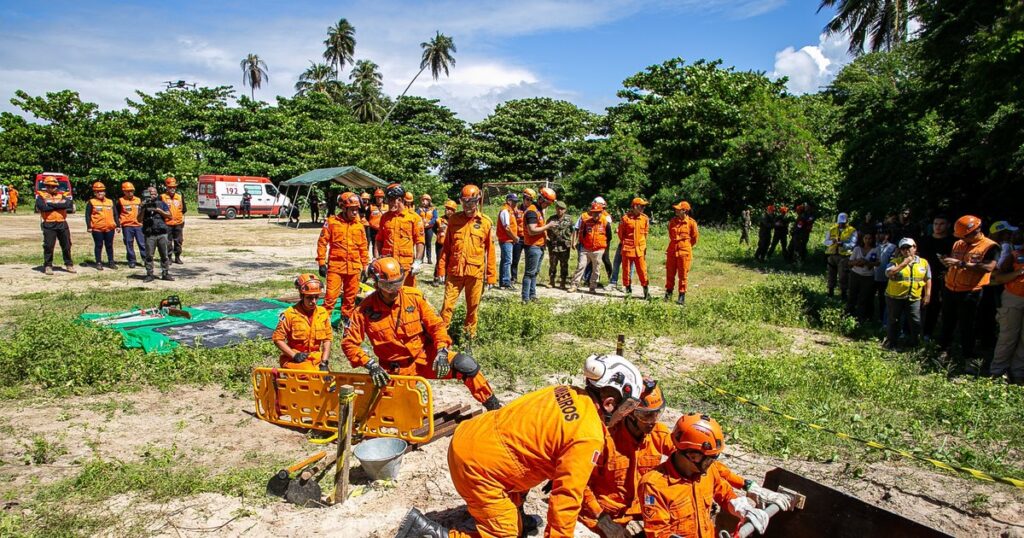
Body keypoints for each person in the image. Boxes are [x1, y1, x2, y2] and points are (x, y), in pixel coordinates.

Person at [396, 354, 646, 538]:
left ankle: (510, 509)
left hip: (471, 437)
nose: (627, 415)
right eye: (629, 408)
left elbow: (565, 475)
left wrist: (598, 516)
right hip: (477, 467)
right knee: (505, 534)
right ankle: (424, 532)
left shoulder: (566, 391)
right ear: (611, 402)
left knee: (531, 459)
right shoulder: (588, 435)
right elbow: (566, 499)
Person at [343, 257, 501, 410]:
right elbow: (349, 343)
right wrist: (370, 364)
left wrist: (442, 350)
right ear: (377, 284)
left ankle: (493, 406)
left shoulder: (414, 297)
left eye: (398, 284)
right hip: (396, 368)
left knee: (465, 365)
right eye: (389, 287)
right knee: (396, 413)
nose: (395, 291)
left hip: (425, 357)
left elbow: (436, 325)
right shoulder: (364, 310)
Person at [638, 414, 776, 538]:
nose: (712, 463)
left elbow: (724, 493)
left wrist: (742, 508)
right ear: (692, 456)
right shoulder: (653, 486)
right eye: (709, 459)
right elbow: (658, 534)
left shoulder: (706, 472)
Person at [579, 380, 670, 536]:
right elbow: (581, 482)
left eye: (657, 413)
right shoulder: (606, 439)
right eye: (647, 415)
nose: (653, 421)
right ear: (630, 413)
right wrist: (601, 518)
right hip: (599, 518)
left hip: (636, 514)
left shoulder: (659, 434)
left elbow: (685, 457)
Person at [938, 215, 999, 374]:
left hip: (970, 292)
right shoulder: (958, 243)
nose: (961, 239)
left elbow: (988, 267)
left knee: (968, 326)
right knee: (947, 322)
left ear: (975, 231)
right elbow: (956, 261)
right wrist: (948, 262)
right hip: (950, 288)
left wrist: (961, 264)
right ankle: (944, 351)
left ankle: (969, 358)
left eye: (964, 236)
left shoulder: (990, 246)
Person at [438, 185, 497, 345]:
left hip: (475, 273)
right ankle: (441, 340)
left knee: (472, 308)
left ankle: (468, 339)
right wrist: (441, 269)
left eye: (470, 203)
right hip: (455, 272)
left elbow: (490, 252)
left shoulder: (485, 223)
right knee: (447, 307)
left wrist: (491, 277)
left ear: (477, 201)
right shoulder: (454, 220)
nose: (467, 206)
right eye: (464, 203)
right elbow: (446, 247)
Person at [317, 192, 369, 328]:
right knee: (330, 298)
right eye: (352, 209)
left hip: (354, 268)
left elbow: (363, 247)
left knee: (350, 298)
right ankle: (323, 324)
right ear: (344, 208)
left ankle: (345, 322)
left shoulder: (359, 226)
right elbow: (322, 243)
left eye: (357, 209)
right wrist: (322, 263)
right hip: (336, 268)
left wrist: (365, 266)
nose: (355, 212)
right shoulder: (332, 223)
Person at [273, 274, 333, 371]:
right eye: (309, 298)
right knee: (310, 376)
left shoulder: (323, 313)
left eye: (316, 297)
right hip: (294, 360)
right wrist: (294, 355)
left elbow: (327, 340)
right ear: (302, 296)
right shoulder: (289, 314)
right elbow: (278, 339)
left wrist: (324, 362)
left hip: (316, 359)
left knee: (330, 382)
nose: (314, 301)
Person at [883, 238, 931, 349]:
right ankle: (891, 343)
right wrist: (903, 264)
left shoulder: (923, 262)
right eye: (903, 248)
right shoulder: (895, 261)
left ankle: (916, 345)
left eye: (908, 247)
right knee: (894, 320)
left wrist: (927, 295)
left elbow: (928, 278)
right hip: (895, 297)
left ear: (915, 247)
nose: (906, 250)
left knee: (915, 321)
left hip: (914, 297)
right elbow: (889, 273)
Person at [990, 230, 1024, 383]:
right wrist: (1019, 272)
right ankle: (998, 372)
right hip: (1013, 298)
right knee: (1008, 336)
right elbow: (999, 277)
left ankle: (1018, 373)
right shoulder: (1015, 255)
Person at [375, 184, 425, 287]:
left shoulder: (414, 218)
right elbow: (379, 239)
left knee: (407, 294)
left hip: (406, 265)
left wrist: (418, 261)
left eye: (391, 200)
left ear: (400, 200)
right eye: (388, 200)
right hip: (388, 264)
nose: (388, 203)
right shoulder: (385, 218)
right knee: (387, 294)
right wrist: (376, 259)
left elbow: (420, 241)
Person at [918, 215, 955, 339]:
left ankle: (931, 333)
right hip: (923, 277)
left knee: (937, 306)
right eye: (935, 224)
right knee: (920, 304)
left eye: (941, 224)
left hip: (943, 279)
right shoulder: (924, 240)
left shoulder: (953, 242)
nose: (938, 227)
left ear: (948, 225)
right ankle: (916, 331)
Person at [521, 187, 558, 303]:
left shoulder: (538, 210)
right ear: (541, 200)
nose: (548, 206)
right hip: (533, 246)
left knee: (534, 273)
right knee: (529, 273)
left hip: (539, 246)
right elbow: (532, 230)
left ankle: (532, 295)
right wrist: (549, 226)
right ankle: (525, 298)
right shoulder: (532, 211)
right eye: (547, 203)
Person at [35, 176, 75, 275]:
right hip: (49, 224)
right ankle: (48, 266)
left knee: (66, 245)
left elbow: (67, 205)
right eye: (50, 186)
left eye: (54, 186)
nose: (53, 188)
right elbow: (42, 208)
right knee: (49, 246)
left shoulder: (62, 195)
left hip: (62, 223)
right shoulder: (41, 196)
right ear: (46, 186)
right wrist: (58, 206)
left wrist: (51, 204)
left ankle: (69, 264)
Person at [571, 202, 611, 294]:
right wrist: (582, 244)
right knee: (580, 266)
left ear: (601, 212)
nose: (596, 214)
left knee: (596, 269)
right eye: (594, 212)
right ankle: (574, 285)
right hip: (585, 249)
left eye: (598, 212)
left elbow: (609, 236)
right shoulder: (586, 222)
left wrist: (602, 246)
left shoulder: (605, 222)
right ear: (591, 212)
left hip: (598, 249)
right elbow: (582, 234)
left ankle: (592, 287)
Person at [665, 201, 698, 306]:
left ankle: (681, 295)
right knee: (670, 273)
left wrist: (685, 246)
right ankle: (668, 293)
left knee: (683, 275)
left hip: (684, 253)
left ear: (684, 211)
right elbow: (671, 234)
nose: (676, 210)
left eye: (678, 209)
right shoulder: (672, 221)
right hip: (672, 251)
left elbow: (694, 238)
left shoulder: (691, 223)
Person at [618, 197, 650, 299]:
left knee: (642, 270)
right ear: (635, 206)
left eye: (644, 206)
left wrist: (643, 245)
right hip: (627, 248)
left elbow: (645, 234)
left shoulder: (645, 218)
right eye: (642, 206)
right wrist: (627, 243)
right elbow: (621, 234)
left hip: (639, 250)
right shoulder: (625, 218)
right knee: (626, 270)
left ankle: (646, 291)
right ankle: (628, 290)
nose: (643, 208)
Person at [141, 186, 173, 282]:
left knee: (164, 255)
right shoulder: (143, 205)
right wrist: (143, 208)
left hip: (162, 233)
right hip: (150, 234)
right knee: (149, 255)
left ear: (157, 194)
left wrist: (159, 210)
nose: (153, 195)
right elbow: (138, 219)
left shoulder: (162, 204)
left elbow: (170, 216)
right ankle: (150, 274)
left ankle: (165, 273)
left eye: (155, 193)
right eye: (151, 193)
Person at [85, 182, 119, 270]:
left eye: (102, 191)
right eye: (98, 191)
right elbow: (87, 215)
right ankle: (98, 262)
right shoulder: (92, 202)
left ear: (105, 192)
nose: (100, 193)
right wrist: (89, 226)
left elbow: (115, 214)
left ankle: (111, 262)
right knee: (99, 245)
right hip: (97, 229)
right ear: (95, 193)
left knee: (109, 245)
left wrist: (118, 225)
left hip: (109, 228)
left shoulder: (110, 202)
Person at [846, 231, 878, 321]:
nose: (867, 240)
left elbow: (877, 263)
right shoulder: (857, 249)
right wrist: (857, 262)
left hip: (868, 276)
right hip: (855, 274)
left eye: (869, 238)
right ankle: (848, 315)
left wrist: (867, 262)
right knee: (852, 295)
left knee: (863, 298)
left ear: (872, 240)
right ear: (863, 239)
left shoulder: (875, 250)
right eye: (866, 238)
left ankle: (860, 318)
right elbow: (849, 262)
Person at [825, 213, 857, 300]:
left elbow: (853, 244)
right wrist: (832, 242)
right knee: (831, 274)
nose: (841, 224)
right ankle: (830, 292)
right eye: (840, 222)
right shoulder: (832, 229)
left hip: (844, 257)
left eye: (843, 222)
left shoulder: (852, 230)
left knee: (843, 276)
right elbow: (826, 242)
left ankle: (843, 293)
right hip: (832, 255)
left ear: (847, 221)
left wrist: (843, 244)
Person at [116, 182, 146, 269]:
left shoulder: (138, 200)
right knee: (129, 243)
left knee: (142, 243)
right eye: (127, 191)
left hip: (138, 225)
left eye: (131, 191)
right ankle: (132, 261)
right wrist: (118, 225)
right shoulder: (121, 201)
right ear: (124, 192)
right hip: (127, 226)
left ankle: (145, 259)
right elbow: (117, 213)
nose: (130, 193)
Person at [547, 200, 574, 289]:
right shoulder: (551, 219)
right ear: (556, 208)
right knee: (553, 264)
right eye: (558, 208)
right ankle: (551, 281)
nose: (560, 210)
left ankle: (563, 282)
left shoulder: (569, 219)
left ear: (565, 210)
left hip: (564, 246)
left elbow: (574, 231)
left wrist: (573, 242)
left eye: (562, 209)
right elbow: (546, 230)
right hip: (553, 245)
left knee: (564, 264)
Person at [160, 176, 186, 265]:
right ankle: (169, 257)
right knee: (168, 242)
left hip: (178, 223)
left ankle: (177, 257)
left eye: (174, 187)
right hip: (167, 223)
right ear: (166, 187)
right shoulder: (162, 197)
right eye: (170, 187)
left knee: (178, 241)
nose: (172, 189)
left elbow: (183, 210)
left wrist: (182, 221)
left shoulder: (179, 197)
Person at [496, 193, 519, 289]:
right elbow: (507, 228)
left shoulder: (510, 211)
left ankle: (503, 282)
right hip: (506, 240)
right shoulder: (505, 211)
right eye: (514, 201)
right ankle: (506, 282)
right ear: (509, 201)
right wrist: (515, 238)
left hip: (508, 239)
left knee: (505, 260)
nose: (516, 203)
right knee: (507, 261)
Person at [873, 228, 895, 324]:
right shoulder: (874, 246)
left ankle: (882, 319)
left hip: (884, 278)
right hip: (872, 276)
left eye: (881, 234)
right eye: (878, 233)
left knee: (883, 300)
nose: (878, 236)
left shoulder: (892, 247)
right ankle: (870, 317)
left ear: (887, 235)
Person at [510, 190, 531, 285]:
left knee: (529, 259)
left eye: (530, 200)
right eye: (527, 199)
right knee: (515, 259)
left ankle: (527, 278)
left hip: (528, 238)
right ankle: (513, 277)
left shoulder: (532, 210)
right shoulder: (516, 209)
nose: (528, 201)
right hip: (518, 238)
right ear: (523, 199)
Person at [433, 200, 456, 285]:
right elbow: (434, 229)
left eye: (450, 209)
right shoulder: (439, 220)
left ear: (454, 211)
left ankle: (445, 277)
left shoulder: (455, 221)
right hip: (440, 244)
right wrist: (439, 232)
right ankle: (436, 277)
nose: (447, 211)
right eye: (446, 209)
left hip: (451, 244)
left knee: (449, 261)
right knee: (439, 260)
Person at [418, 194, 438, 264]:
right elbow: (417, 217)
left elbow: (435, 218)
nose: (424, 201)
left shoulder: (433, 209)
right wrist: (421, 222)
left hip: (430, 228)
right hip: (422, 228)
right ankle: (421, 258)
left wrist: (429, 223)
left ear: (429, 201)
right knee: (422, 243)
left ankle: (429, 258)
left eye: (426, 200)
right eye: (423, 200)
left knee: (428, 243)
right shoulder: (419, 209)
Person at [368, 188, 387, 258]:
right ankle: (375, 258)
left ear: (383, 198)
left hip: (384, 229)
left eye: (381, 197)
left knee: (384, 244)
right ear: (375, 198)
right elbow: (367, 218)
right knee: (375, 244)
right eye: (377, 197)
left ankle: (383, 258)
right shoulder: (371, 207)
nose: (379, 199)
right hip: (374, 230)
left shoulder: (387, 207)